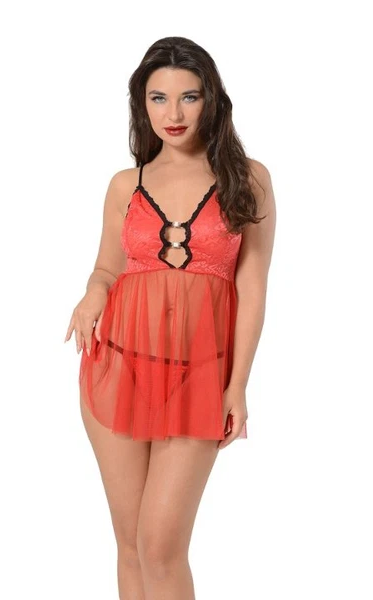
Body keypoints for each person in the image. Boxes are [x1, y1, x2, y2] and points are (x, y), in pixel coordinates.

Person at [64, 36, 276, 600]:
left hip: (198, 376)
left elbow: (252, 288)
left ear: (212, 100)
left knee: (161, 547)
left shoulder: (248, 179)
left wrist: (237, 385)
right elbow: (107, 268)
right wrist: (92, 294)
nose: (174, 113)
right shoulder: (125, 184)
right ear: (143, 103)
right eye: (159, 98)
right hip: (118, 367)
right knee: (131, 545)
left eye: (190, 97)